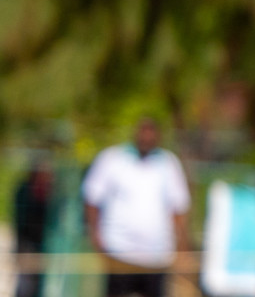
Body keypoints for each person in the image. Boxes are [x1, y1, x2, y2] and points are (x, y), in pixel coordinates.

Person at [81, 117, 191, 297]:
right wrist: (96, 235)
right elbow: (92, 197)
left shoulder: (168, 163)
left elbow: (178, 208)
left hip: (156, 257)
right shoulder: (113, 158)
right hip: (119, 253)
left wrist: (182, 247)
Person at [11, 156, 55, 297]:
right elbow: (23, 222)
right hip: (28, 244)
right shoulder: (25, 191)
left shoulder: (49, 192)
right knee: (26, 282)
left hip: (44, 244)